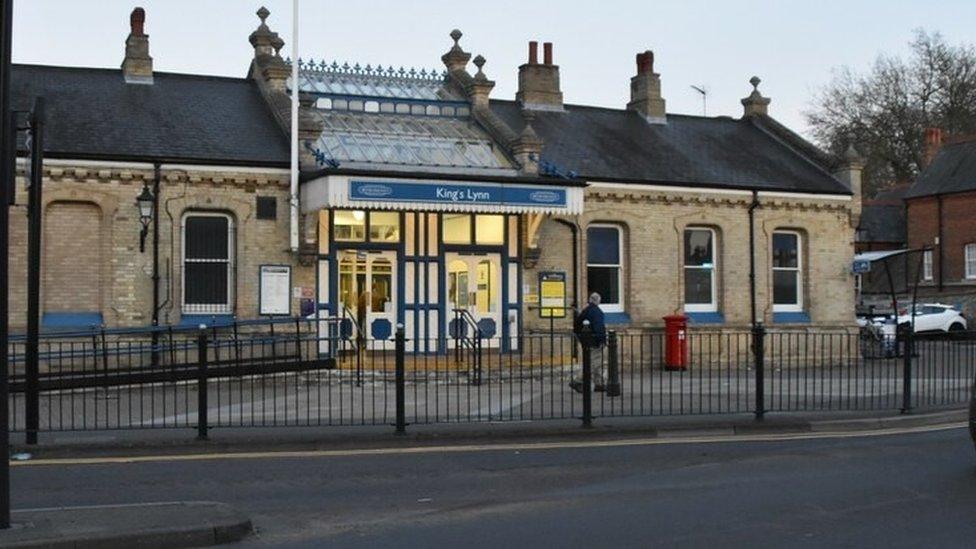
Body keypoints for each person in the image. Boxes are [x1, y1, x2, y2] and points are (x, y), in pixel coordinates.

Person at [570, 292, 607, 394]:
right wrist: (602, 340)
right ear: (598, 301)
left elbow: (576, 325)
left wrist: (581, 338)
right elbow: (599, 327)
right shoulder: (597, 312)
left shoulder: (586, 311)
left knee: (598, 362)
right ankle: (578, 380)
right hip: (595, 342)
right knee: (593, 363)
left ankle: (599, 383)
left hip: (586, 341)